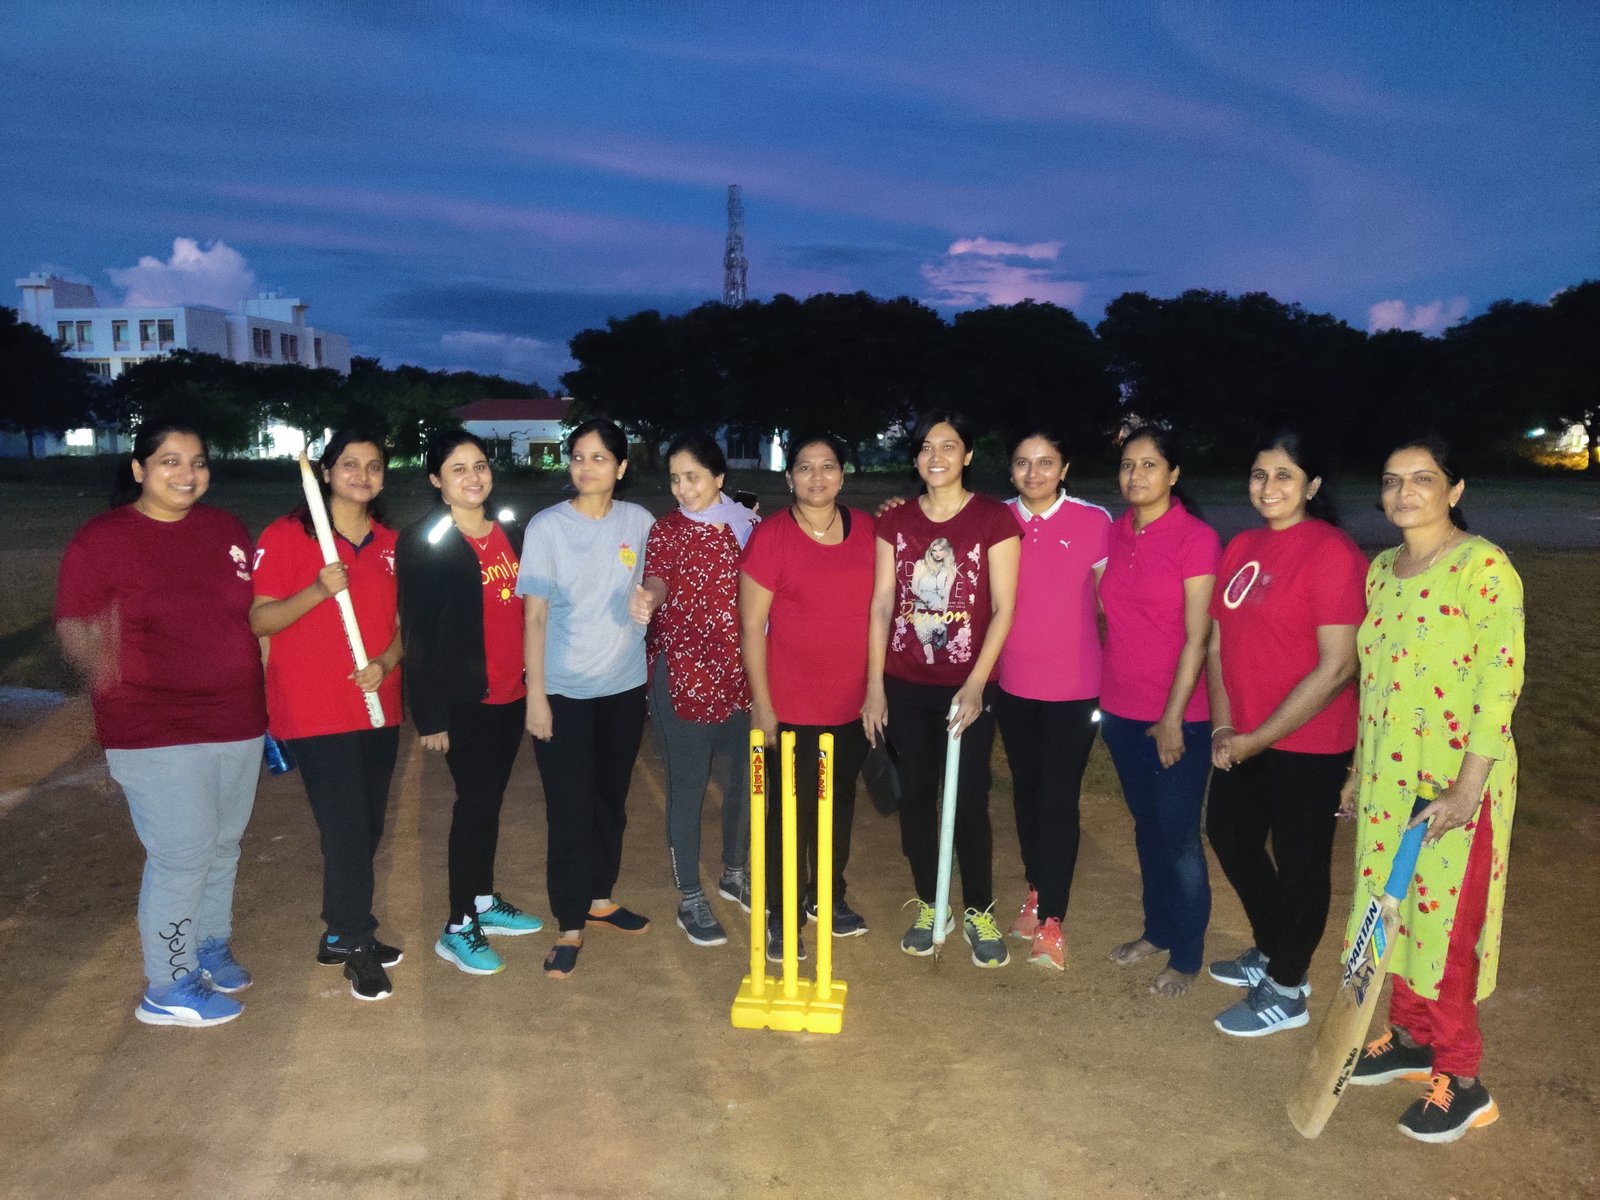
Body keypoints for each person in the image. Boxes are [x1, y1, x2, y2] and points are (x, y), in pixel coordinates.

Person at [1339, 436, 1523, 1143]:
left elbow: (1498, 686)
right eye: (1392, 480)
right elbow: (1375, 682)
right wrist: (1359, 769)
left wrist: (1466, 790)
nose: (1404, 491)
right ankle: (1411, 1039)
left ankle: (1464, 1078)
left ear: (1456, 489)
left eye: (1423, 478)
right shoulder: (1382, 571)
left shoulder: (1485, 570)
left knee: (1446, 929)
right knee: (1393, 913)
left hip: (1454, 785)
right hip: (1389, 780)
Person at [55, 420, 267, 1028]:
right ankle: (168, 983)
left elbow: (246, 615)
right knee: (182, 854)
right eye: (169, 461)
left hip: (236, 715)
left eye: (197, 461)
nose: (186, 473)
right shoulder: (103, 538)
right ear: (139, 469)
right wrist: (112, 679)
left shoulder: (224, 528)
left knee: (223, 843)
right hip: (153, 724)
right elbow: (75, 624)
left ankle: (207, 944)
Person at [1204, 428, 1368, 1036]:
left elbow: (1338, 666)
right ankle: (1276, 949)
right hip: (1244, 733)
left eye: (1284, 476)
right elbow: (1221, 640)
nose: (1268, 487)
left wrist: (1256, 738)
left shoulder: (1330, 551)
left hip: (1309, 742)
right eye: (1259, 474)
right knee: (1230, 834)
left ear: (1312, 486)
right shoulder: (1242, 544)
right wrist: (1226, 724)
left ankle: (1289, 988)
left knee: (1301, 864)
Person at [251, 429, 404, 1002]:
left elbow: (400, 627)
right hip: (314, 706)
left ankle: (339, 929)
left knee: (365, 826)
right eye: (349, 464)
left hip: (377, 704)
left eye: (373, 466)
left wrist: (387, 660)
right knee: (345, 826)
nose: (362, 474)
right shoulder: (288, 536)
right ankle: (358, 944)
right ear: (326, 472)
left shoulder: (391, 542)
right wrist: (318, 589)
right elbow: (261, 621)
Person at [863, 411, 1020, 968]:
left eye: (949, 446)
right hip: (905, 683)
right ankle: (933, 904)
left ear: (968, 456)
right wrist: (874, 686)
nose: (937, 456)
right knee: (915, 795)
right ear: (915, 458)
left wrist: (977, 683)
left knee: (971, 798)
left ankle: (978, 908)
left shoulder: (994, 519)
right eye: (927, 447)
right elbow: (883, 603)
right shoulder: (897, 521)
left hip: (968, 686)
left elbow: (1004, 607)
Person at [396, 429, 543, 978]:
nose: (473, 477)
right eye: (458, 469)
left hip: (510, 692)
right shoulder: (426, 540)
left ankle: (482, 900)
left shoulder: (511, 529)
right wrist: (430, 715)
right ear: (436, 480)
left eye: (479, 465)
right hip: (464, 701)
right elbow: (420, 635)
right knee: (475, 805)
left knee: (490, 801)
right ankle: (458, 926)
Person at [518, 418, 656, 978]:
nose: (586, 466)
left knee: (610, 800)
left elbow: (663, 573)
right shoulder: (547, 527)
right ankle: (570, 921)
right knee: (570, 808)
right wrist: (537, 695)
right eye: (578, 456)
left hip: (623, 688)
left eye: (600, 457)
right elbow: (534, 615)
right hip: (565, 692)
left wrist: (653, 593)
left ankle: (600, 897)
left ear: (621, 468)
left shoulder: (639, 521)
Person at [740, 433, 876, 962]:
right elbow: (751, 626)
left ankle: (828, 895)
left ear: (843, 474)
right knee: (787, 814)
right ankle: (782, 912)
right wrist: (763, 703)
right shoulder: (772, 537)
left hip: (852, 702)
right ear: (789, 476)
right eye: (804, 468)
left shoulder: (869, 529)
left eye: (827, 467)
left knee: (837, 804)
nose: (816, 477)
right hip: (791, 705)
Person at [1098, 425, 1219, 997]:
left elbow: (1198, 638)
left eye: (1149, 465)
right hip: (1120, 711)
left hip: (1179, 717)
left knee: (1178, 838)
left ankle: (1188, 955)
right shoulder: (1117, 533)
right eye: (1127, 465)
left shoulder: (1195, 539)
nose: (1135, 476)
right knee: (1147, 830)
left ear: (1173, 474)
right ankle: (1159, 930)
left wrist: (1172, 717)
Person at [994, 426, 1111, 972]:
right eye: (1023, 463)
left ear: (1064, 469)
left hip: (1075, 688)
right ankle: (1036, 890)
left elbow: (1112, 606)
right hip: (1012, 685)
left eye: (1045, 463)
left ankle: (1054, 920)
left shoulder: (1094, 522)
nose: (1033, 473)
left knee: (1058, 800)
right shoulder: (996, 519)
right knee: (1026, 792)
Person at [639, 431, 756, 948]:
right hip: (682, 672)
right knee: (687, 787)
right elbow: (658, 577)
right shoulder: (665, 531)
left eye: (694, 478)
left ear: (719, 478)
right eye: (675, 479)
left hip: (740, 671)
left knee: (746, 781)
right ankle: (690, 894)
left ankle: (735, 872)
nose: (683, 489)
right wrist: (649, 596)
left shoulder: (748, 524)